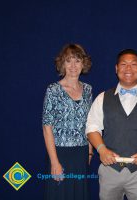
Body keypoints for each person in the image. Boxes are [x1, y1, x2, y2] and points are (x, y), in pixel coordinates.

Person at [86, 49, 137, 200]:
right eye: (123, 64)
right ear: (116, 68)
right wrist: (101, 149)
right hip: (109, 170)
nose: (128, 69)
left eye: (133, 64)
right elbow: (92, 127)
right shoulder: (102, 98)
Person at [42, 44, 93, 200]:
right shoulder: (53, 90)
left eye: (77, 61)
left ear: (83, 64)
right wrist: (54, 162)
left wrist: (90, 151)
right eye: (68, 61)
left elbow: (90, 123)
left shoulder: (88, 89)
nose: (73, 66)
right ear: (62, 64)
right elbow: (47, 127)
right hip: (60, 153)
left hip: (81, 153)